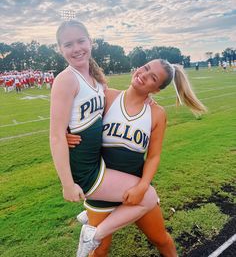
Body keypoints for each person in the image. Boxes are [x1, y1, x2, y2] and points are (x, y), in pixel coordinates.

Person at [67, 59, 207, 256]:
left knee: (161, 239)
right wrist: (67, 133)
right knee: (99, 250)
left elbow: (153, 156)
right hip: (102, 187)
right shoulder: (107, 96)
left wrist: (142, 187)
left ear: (156, 89)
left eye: (153, 78)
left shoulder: (157, 113)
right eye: (146, 68)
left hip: (135, 188)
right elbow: (77, 118)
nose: (144, 75)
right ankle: (94, 219)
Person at [50, 20, 162, 257]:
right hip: (86, 172)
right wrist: (67, 184)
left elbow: (115, 103)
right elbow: (56, 135)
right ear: (60, 49)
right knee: (149, 196)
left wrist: (146, 98)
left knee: (140, 190)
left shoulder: (96, 80)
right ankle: (93, 233)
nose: (76, 48)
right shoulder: (66, 79)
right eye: (68, 44)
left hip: (97, 164)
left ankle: (89, 217)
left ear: (91, 42)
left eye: (81, 41)